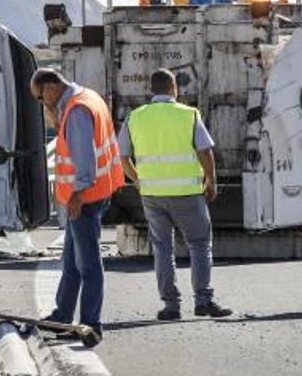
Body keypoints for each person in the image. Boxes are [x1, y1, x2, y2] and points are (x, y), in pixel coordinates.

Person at [118, 68, 232, 321]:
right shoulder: (189, 115)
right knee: (199, 245)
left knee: (162, 249)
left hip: (152, 195)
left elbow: (123, 156)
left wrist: (138, 180)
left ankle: (171, 306)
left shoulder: (135, 117)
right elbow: (205, 151)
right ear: (174, 89)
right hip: (187, 193)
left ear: (151, 90)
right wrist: (210, 180)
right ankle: (204, 300)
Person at [31, 68, 123, 345]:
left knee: (89, 264)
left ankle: (91, 323)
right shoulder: (87, 97)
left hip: (85, 197)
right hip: (95, 193)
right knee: (71, 260)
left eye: (39, 97)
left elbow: (85, 161)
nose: (42, 103)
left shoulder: (77, 111)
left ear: (50, 87)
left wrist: (78, 195)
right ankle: (62, 316)